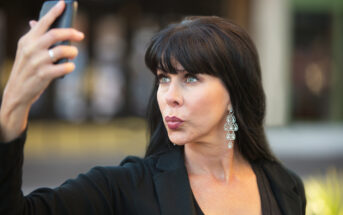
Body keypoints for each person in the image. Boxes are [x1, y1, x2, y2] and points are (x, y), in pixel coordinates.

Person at [0, 1, 306, 214]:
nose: (170, 96)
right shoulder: (126, 187)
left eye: (190, 78)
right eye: (163, 78)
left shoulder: (284, 187)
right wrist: (13, 105)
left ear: (233, 90)